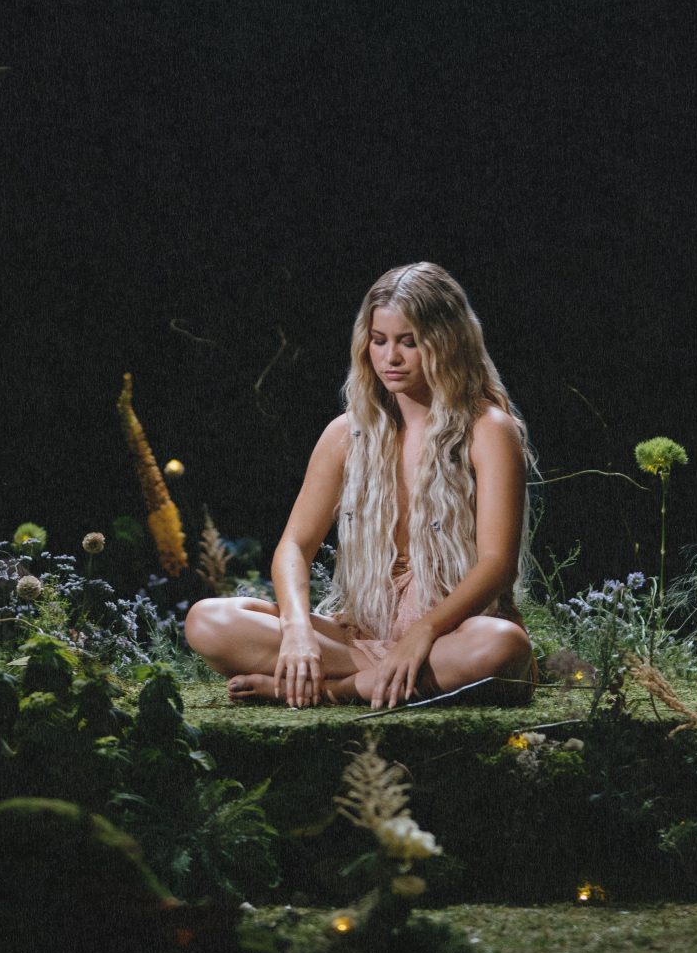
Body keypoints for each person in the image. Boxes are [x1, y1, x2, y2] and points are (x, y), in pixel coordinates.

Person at [185, 262, 535, 708]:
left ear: (448, 342)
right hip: (360, 637)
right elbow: (294, 546)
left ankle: (334, 690)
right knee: (207, 621)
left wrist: (424, 632)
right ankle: (384, 679)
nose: (391, 358)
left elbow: (497, 564)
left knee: (501, 645)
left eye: (409, 342)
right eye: (379, 340)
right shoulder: (346, 433)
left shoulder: (488, 429)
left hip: (450, 637)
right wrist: (296, 631)